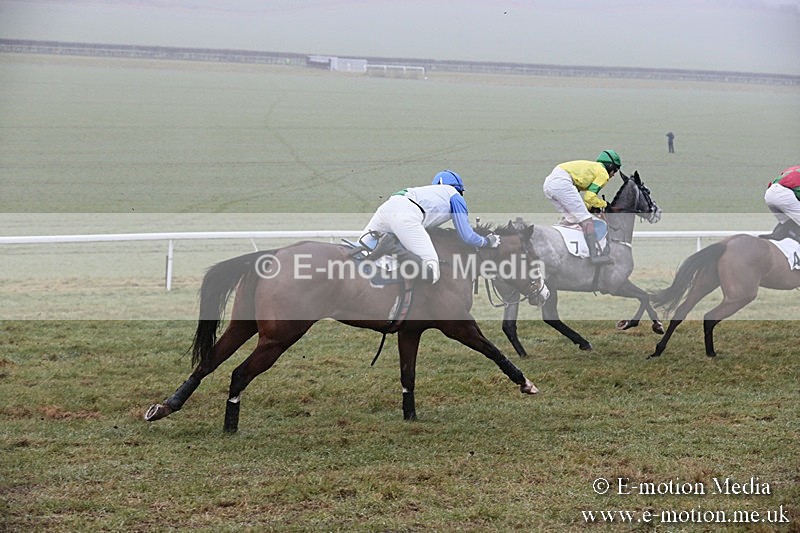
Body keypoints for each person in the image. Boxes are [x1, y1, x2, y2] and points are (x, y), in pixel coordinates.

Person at [360, 170, 499, 283]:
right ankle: (391, 247)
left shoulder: (427, 193)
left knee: (359, 253)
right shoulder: (455, 195)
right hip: (406, 214)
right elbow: (467, 236)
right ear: (459, 188)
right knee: (432, 271)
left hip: (387, 207)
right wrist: (487, 241)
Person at [542, 150, 622, 266]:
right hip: (562, 183)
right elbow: (589, 197)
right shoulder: (603, 173)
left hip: (549, 184)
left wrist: (594, 208)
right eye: (615, 170)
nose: (614, 174)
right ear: (610, 166)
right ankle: (594, 257)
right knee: (586, 220)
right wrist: (605, 205)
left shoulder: (593, 168)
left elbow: (585, 202)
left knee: (572, 220)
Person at [760, 165, 800, 241]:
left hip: (770, 193)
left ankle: (776, 237)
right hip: (786, 195)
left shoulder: (794, 168)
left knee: (788, 221)